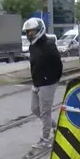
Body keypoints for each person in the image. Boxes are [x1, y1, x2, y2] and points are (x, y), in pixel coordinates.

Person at [23, 17, 63, 149]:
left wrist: (50, 79)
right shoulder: (32, 46)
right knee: (35, 109)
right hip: (37, 83)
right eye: (28, 32)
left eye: (32, 31)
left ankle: (45, 139)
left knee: (45, 111)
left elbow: (58, 65)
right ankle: (55, 126)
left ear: (39, 30)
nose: (30, 34)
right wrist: (36, 81)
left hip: (48, 83)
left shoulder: (49, 45)